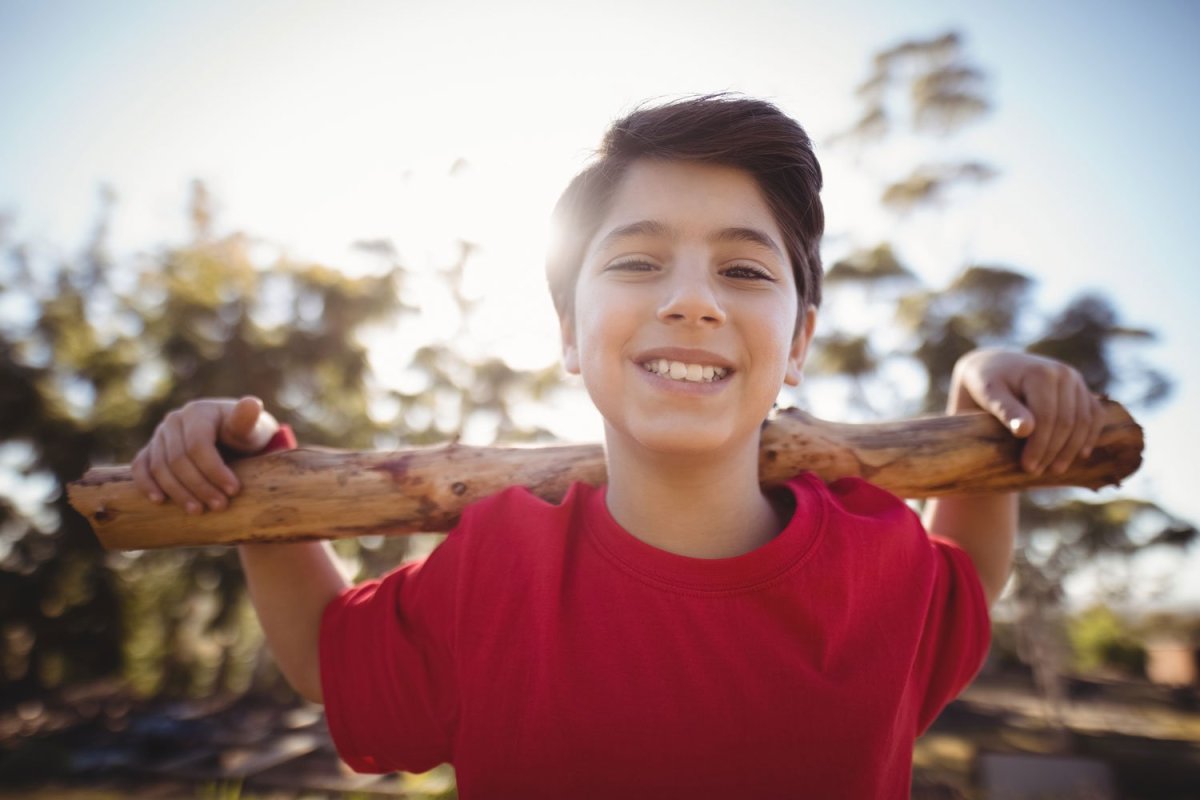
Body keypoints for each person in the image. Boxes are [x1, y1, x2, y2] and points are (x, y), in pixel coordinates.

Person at [132, 95, 1104, 798]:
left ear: (799, 340)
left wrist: (981, 384)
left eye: (742, 266)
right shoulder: (500, 565)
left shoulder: (880, 561)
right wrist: (258, 468)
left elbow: (968, 560)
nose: (690, 297)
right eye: (638, 260)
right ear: (566, 329)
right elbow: (324, 654)